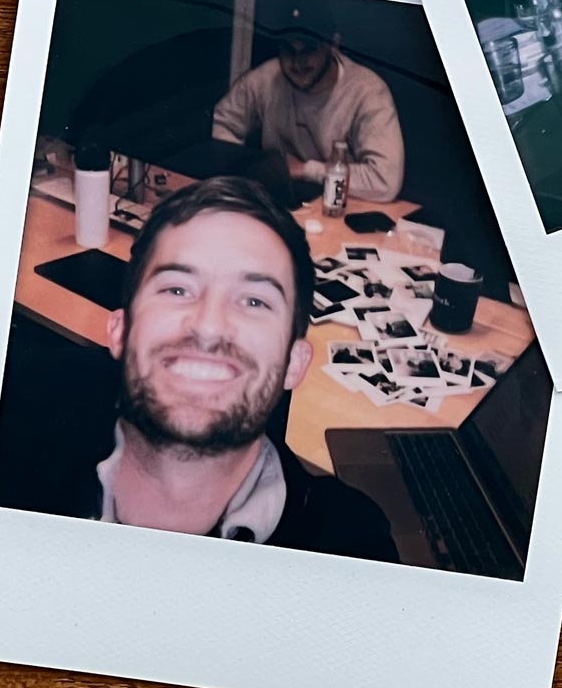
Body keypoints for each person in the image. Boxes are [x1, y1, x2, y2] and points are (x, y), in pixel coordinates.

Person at [83, 176, 398, 559]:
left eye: (253, 301)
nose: (209, 326)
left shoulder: (355, 550)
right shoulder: (2, 464)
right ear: (119, 330)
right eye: (177, 289)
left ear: (294, 364)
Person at [211, 0, 405, 201]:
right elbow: (222, 124)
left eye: (309, 50)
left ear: (332, 44)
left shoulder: (368, 91)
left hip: (341, 203)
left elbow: (385, 181)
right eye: (288, 50)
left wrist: (306, 170)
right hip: (280, 196)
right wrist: (247, 170)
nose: (297, 63)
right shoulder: (266, 78)